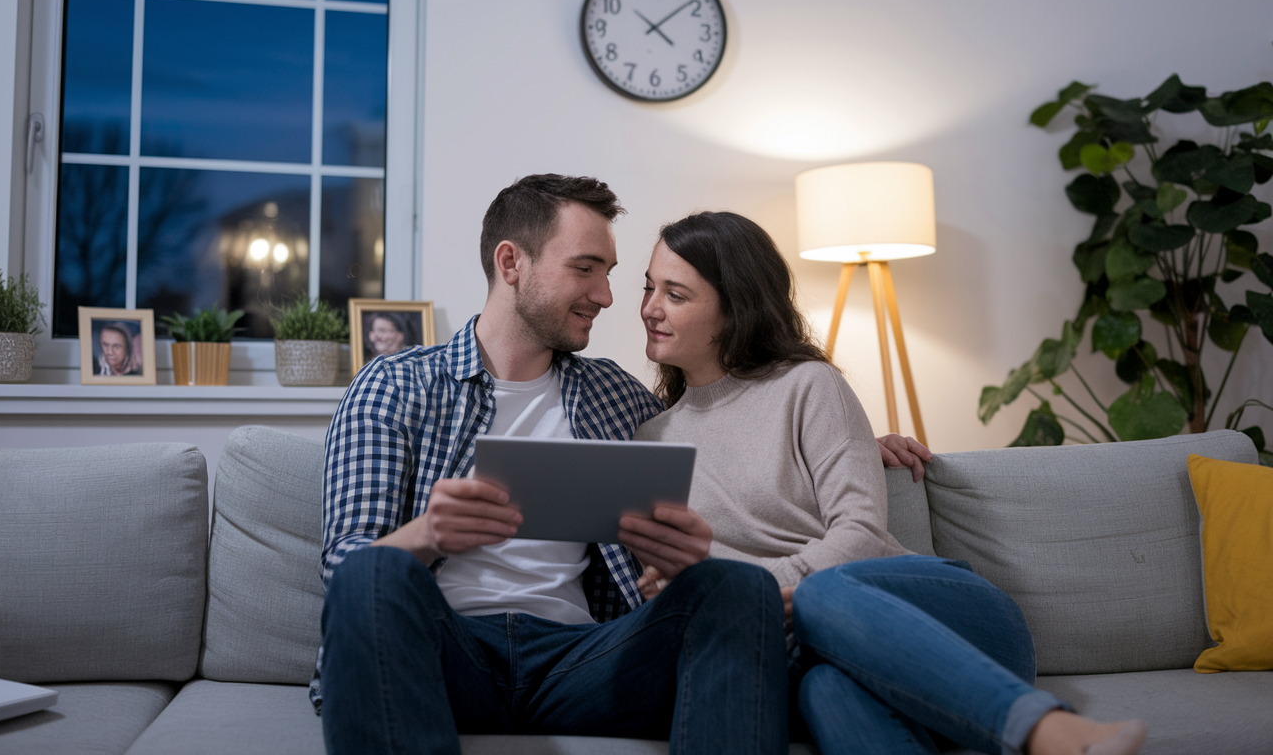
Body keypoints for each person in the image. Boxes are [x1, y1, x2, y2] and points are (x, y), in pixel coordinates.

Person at [632, 211, 1147, 755]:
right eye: (648, 288)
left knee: (825, 592)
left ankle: (1048, 731)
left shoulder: (809, 386)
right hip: (808, 656)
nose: (649, 309)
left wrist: (751, 591)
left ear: (734, 307)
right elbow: (671, 573)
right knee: (825, 691)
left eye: (676, 294)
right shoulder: (652, 441)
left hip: (937, 620)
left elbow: (856, 535)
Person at [317, 175, 789, 755]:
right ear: (511, 262)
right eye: (585, 268)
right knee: (372, 573)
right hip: (444, 650)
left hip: (582, 661)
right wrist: (426, 535)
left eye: (610, 274)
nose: (609, 296)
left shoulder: (616, 396)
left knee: (736, 586)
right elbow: (344, 572)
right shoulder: (396, 384)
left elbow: (717, 423)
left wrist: (857, 442)